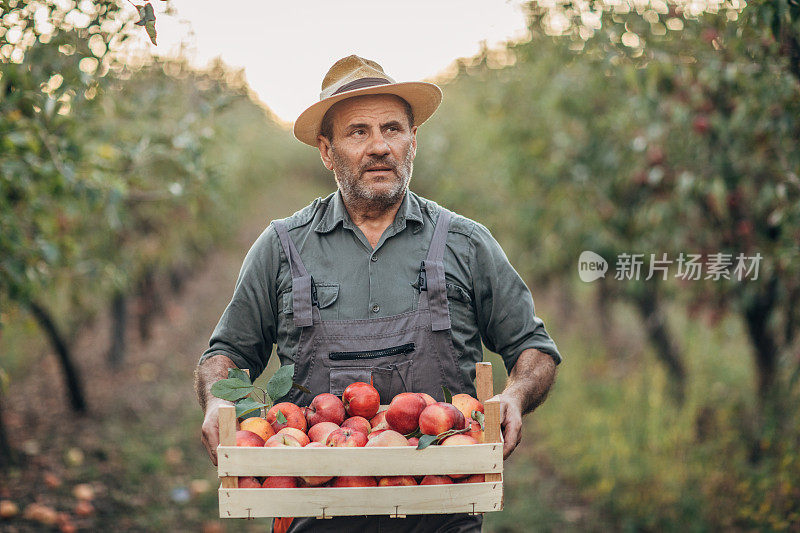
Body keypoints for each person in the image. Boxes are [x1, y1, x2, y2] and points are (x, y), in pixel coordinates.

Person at [194, 55, 561, 533]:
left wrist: (514, 396)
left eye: (392, 129)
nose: (379, 147)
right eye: (358, 132)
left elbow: (534, 348)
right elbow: (226, 353)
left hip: (442, 511)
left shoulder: (465, 243)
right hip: (316, 512)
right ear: (327, 152)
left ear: (413, 141)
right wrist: (218, 402)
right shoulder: (282, 248)